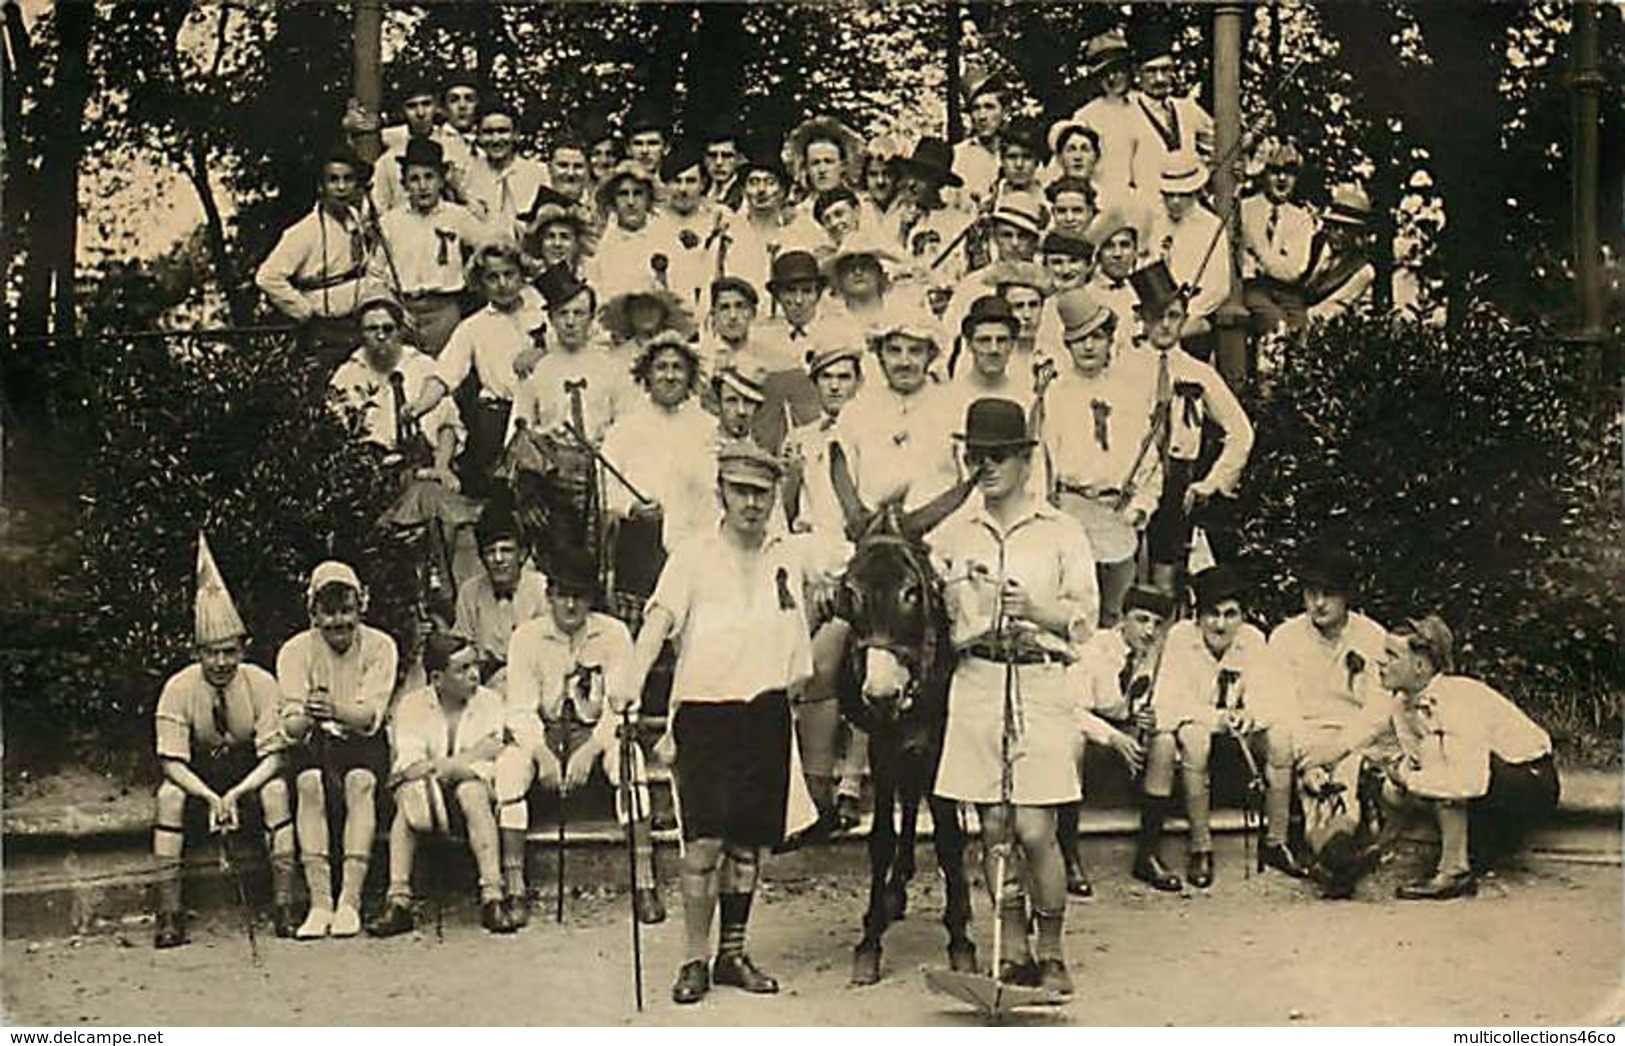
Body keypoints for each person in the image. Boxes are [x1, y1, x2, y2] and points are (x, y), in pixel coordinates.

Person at [612, 440, 824, 1005]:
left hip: (767, 713)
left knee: (749, 848)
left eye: (762, 493)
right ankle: (693, 958)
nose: (753, 503)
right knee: (702, 847)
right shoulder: (693, 555)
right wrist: (631, 680)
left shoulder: (787, 553)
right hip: (706, 715)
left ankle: (733, 952)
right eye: (742, 492)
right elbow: (658, 620)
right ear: (721, 494)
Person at [932, 398, 1100, 996]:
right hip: (978, 680)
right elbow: (941, 626)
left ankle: (1051, 948)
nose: (988, 466)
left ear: (1026, 462)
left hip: (1040, 680)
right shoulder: (954, 533)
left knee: (1034, 829)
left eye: (999, 456)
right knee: (994, 827)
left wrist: (1035, 609)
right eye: (977, 456)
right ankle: (1013, 949)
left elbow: (1086, 620)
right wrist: (971, 611)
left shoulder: (1062, 530)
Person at [495, 545, 664, 927]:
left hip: (597, 731)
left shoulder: (614, 633)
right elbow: (520, 709)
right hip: (545, 731)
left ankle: (644, 882)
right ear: (548, 596)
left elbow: (621, 706)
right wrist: (541, 753)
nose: (570, 605)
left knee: (630, 760)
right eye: (562, 595)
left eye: (579, 596)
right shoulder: (527, 637)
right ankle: (514, 886)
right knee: (509, 768)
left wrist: (591, 750)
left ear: (591, 598)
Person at [1338, 616, 1557, 900]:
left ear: (1420, 666)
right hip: (1487, 783)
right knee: (1409, 770)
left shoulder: (1456, 699)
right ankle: (1385, 849)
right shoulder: (1403, 702)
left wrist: (1406, 777)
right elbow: (1414, 759)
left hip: (1529, 782)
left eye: (1391, 655)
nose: (1380, 662)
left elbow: (1468, 783)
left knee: (1436, 760)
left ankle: (1454, 870)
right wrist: (1399, 773)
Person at [152, 536, 297, 947]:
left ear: (242, 649)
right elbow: (171, 762)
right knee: (168, 798)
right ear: (197, 652)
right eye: (211, 653)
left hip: (247, 773)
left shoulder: (261, 683)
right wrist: (211, 797)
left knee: (276, 792)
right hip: (197, 775)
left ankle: (285, 905)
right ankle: (169, 914)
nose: (220, 663)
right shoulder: (178, 688)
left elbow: (275, 755)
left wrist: (236, 792)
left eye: (229, 652)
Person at [1142, 564, 1302, 890]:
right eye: (1212, 614)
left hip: (1238, 735)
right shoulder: (1180, 638)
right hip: (1197, 729)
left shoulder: (1253, 640)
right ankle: (1201, 846)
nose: (1220, 624)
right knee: (1195, 738)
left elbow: (1273, 698)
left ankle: (1276, 841)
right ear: (1197, 616)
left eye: (1231, 614)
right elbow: (1168, 704)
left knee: (1281, 737)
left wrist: (1250, 716)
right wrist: (1216, 718)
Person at [277, 560, 398, 939]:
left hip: (361, 738)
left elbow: (368, 716)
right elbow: (291, 724)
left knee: (360, 782)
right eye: (328, 613)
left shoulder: (381, 646)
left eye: (346, 610)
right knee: (309, 783)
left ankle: (350, 900)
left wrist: (335, 709)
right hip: (315, 738)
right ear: (313, 613)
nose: (338, 622)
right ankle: (319, 902)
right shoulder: (295, 651)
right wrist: (308, 714)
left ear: (361, 606)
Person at [366, 632, 514, 936]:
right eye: (462, 669)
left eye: (475, 666)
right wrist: (467, 757)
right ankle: (399, 901)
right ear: (437, 677)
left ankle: (492, 895)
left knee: (472, 792)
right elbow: (410, 767)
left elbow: (489, 764)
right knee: (410, 802)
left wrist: (441, 767)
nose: (474, 675)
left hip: (473, 797)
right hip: (423, 800)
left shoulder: (491, 702)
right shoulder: (412, 706)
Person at [1264, 545, 1392, 897]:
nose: (1318, 603)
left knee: (1346, 781)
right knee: (1315, 791)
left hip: (1351, 737)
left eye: (1329, 594)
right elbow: (1281, 705)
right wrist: (1308, 758)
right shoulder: (1285, 638)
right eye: (1311, 593)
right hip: (1304, 736)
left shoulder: (1372, 637)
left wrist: (1337, 748)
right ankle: (1334, 855)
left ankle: (1337, 854)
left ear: (1347, 596)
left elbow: (1378, 710)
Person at [783, 334, 869, 829]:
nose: (836, 386)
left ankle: (852, 779)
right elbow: (791, 511)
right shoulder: (803, 439)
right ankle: (805, 790)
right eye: (827, 379)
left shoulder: (872, 433)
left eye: (844, 377)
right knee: (797, 657)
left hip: (857, 555)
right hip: (810, 552)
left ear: (858, 382)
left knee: (856, 657)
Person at [1131, 261, 1253, 593]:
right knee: (1127, 576)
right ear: (1141, 318)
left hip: (1177, 482)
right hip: (1130, 480)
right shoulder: (1122, 367)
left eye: (1173, 316)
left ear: (1185, 318)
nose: (1165, 325)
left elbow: (1241, 432)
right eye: (1156, 316)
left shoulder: (1198, 373)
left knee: (1166, 579)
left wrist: (1212, 483)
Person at [1041, 287, 1159, 625]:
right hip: (1072, 514)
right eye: (1080, 340)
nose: (1089, 346)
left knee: (1119, 617)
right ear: (1068, 345)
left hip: (1120, 514)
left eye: (1097, 337)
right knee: (1076, 614)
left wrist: (1142, 506)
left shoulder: (1131, 393)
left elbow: (1149, 463)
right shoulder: (1055, 395)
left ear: (1110, 340)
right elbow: (1043, 463)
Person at [411, 241, 548, 492]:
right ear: (481, 283)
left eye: (509, 274)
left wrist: (542, 352)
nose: (503, 284)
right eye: (492, 278)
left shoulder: (543, 312)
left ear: (522, 275)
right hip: (497, 418)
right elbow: (445, 374)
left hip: (543, 415)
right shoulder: (473, 327)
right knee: (497, 491)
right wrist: (419, 406)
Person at [1065, 584, 1171, 895]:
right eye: (1141, 619)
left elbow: (1150, 702)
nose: (1149, 630)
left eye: (1157, 623)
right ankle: (1069, 855)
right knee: (1071, 741)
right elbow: (1072, 709)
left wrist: (1147, 718)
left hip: (1121, 729)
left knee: (1164, 742)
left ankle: (1147, 853)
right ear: (1123, 618)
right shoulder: (1094, 649)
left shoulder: (1154, 655)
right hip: (1086, 727)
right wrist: (1114, 737)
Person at [255, 145, 379, 372]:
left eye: (348, 179)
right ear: (321, 187)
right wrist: (304, 312)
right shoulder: (304, 232)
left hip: (360, 323)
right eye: (333, 180)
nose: (341, 187)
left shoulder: (356, 219)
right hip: (325, 331)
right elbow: (267, 277)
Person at [832, 302, 961, 513]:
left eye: (915, 351)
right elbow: (843, 488)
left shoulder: (953, 407)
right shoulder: (856, 411)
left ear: (930, 355)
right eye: (894, 351)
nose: (904, 362)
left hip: (940, 534)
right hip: (873, 534)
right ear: (880, 355)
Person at [370, 138, 493, 357]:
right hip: (402, 310)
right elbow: (375, 274)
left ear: (442, 179)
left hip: (444, 309)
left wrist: (473, 270)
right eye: (414, 179)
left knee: (445, 369)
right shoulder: (390, 222)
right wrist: (391, 308)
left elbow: (490, 245)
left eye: (429, 177)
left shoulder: (457, 217)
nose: (423, 186)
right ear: (404, 183)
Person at [600, 331, 718, 557]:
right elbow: (605, 485)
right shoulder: (623, 431)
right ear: (647, 375)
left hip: (697, 546)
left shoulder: (709, 429)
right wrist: (631, 507)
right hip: (639, 542)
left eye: (678, 368)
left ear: (690, 375)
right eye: (661, 367)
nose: (670, 376)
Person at [508, 267, 628, 445]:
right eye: (562, 313)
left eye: (579, 313)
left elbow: (624, 423)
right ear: (551, 318)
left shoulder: (611, 366)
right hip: (550, 464)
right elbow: (520, 428)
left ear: (591, 318)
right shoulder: (537, 369)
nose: (570, 322)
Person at [453, 500, 549, 694]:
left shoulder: (541, 588)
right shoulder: (470, 592)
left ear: (522, 555)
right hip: (484, 684)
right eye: (490, 552)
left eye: (506, 550)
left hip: (535, 681)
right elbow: (462, 645)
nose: (498, 559)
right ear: (481, 558)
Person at [1146, 152, 1232, 341]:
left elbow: (1219, 287)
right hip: (1158, 314)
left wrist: (1185, 315)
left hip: (1195, 314)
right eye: (1169, 195)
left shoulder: (1211, 226)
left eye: (1182, 195)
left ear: (1194, 192)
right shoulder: (1156, 223)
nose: (1175, 202)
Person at [1240, 142, 1315, 337]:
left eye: (1289, 173)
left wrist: (1258, 252)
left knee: (1302, 329)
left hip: (1287, 292)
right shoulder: (1244, 209)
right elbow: (1241, 266)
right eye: (1275, 172)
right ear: (1264, 174)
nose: (1282, 179)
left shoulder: (1301, 218)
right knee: (1276, 324)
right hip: (1252, 289)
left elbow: (1293, 270)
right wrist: (1276, 262)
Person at [371, 76, 476, 214]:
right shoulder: (389, 159)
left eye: (426, 104)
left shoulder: (458, 149)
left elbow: (474, 200)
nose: (420, 113)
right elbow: (380, 205)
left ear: (437, 107)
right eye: (412, 106)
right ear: (402, 110)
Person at [1130, 33, 1214, 192]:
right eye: (1151, 71)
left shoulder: (1187, 108)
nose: (1159, 79)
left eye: (1165, 70)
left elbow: (1219, 146)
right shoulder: (1127, 112)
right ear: (1137, 73)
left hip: (1186, 200)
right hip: (1146, 203)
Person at [1071, 30, 1144, 203]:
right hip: (1103, 202)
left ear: (1129, 70)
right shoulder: (1086, 116)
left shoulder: (1146, 106)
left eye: (1117, 70)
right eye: (1104, 73)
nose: (1112, 78)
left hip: (1150, 200)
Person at [464, 105, 550, 239]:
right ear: (479, 137)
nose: (496, 139)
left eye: (502, 131)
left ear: (515, 135)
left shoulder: (539, 174)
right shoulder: (467, 174)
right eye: (488, 132)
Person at [588, 160, 667, 303]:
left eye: (637, 194)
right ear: (613, 201)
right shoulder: (601, 243)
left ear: (648, 199)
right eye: (623, 194)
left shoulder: (665, 238)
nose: (630, 202)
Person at [1301, 184, 1377, 324]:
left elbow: (1329, 309)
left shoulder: (1362, 270)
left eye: (1348, 229)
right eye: (1335, 226)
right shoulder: (1313, 245)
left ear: (1358, 234)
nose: (1339, 234)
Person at [952, 69, 1007, 208]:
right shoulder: (957, 156)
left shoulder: (1019, 154)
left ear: (1004, 112)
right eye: (976, 108)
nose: (982, 116)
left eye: (989, 107)